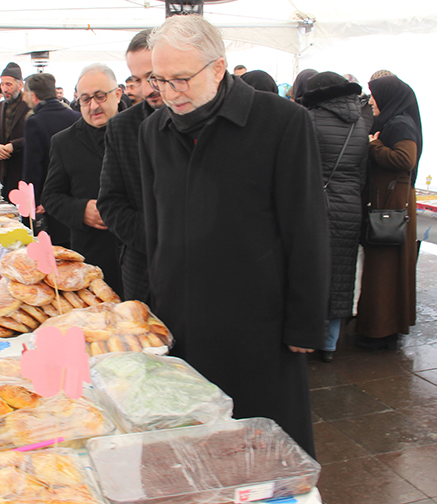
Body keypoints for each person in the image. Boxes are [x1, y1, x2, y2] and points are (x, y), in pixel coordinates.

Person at [140, 15, 329, 457]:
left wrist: (305, 321)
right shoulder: (153, 130)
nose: (169, 93)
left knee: (263, 447)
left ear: (219, 68)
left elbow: (306, 227)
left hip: (256, 322)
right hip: (182, 319)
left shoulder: (283, 122)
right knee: (192, 448)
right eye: (160, 80)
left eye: (181, 79)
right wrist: (154, 302)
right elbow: (155, 225)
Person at [300, 72, 370, 362]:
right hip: (350, 206)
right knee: (342, 274)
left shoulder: (310, 121)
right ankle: (329, 344)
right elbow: (362, 174)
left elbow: (301, 168)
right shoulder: (361, 124)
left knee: (311, 273)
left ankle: (307, 337)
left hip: (316, 206)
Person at [42, 63, 124, 296]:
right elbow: (50, 196)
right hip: (94, 254)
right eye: (86, 99)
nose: (93, 105)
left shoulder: (142, 131)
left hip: (141, 254)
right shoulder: (64, 142)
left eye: (100, 96)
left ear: (117, 93)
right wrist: (81, 210)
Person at [97, 28, 165, 303]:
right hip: (143, 273)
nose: (148, 89)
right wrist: (159, 239)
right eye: (137, 80)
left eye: (153, 77)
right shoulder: (122, 126)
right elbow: (110, 203)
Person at [356, 75, 423, 349]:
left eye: (374, 96)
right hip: (387, 201)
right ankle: (381, 327)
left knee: (384, 269)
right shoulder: (395, 121)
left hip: (391, 205)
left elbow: (406, 159)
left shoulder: (400, 124)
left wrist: (374, 145)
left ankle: (380, 331)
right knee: (383, 269)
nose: (371, 101)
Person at [22, 73, 81, 246]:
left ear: (33, 95)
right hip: (74, 195)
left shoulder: (35, 121)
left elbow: (33, 166)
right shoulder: (75, 116)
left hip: (50, 197)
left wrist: (35, 200)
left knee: (54, 249)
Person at [0, 62, 31, 196]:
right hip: (0, 173)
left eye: (8, 84)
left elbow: (37, 137)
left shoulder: (31, 107)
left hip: (23, 172)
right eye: (2, 84)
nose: (4, 89)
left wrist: (13, 146)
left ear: (20, 85)